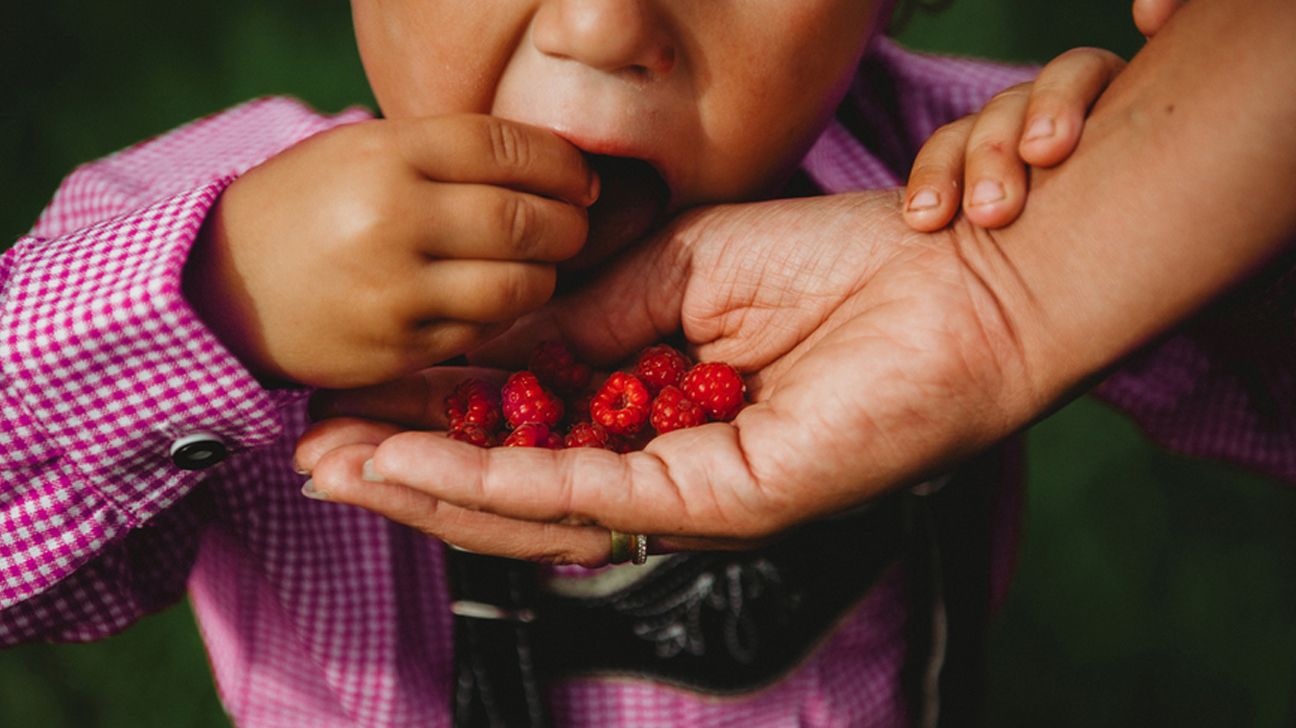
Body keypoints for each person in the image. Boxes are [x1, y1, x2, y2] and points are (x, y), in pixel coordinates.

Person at [0, 1, 1220, 728]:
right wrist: (218, 301)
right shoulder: (204, 237)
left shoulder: (962, 186)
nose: (601, 25)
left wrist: (1113, 227)